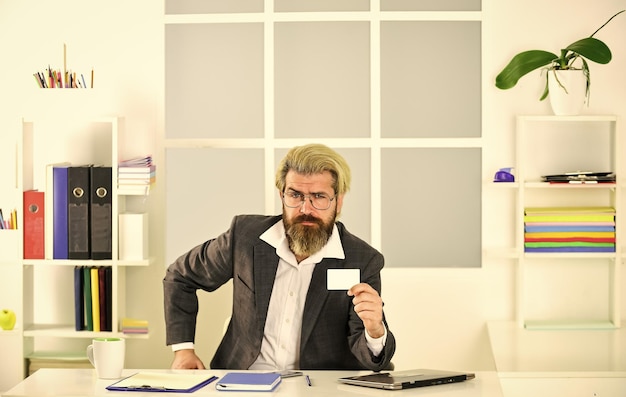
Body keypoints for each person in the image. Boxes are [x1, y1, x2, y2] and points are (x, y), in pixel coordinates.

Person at [163, 143, 396, 371]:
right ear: (282, 194)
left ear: (339, 200)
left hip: (315, 388)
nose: (306, 209)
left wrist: (375, 331)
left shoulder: (362, 260)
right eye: (295, 195)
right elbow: (180, 276)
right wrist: (184, 350)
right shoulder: (245, 237)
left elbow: (369, 358)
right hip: (241, 380)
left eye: (319, 196)